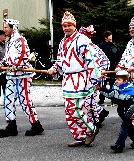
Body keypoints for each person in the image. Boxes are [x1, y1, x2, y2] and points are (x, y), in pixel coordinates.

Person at [47, 12, 101, 147]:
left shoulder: (83, 40)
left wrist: (96, 80)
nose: (66, 28)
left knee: (75, 109)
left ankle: (91, 130)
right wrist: (54, 68)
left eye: (69, 25)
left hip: (80, 79)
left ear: (74, 26)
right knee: (68, 111)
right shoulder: (62, 42)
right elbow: (60, 61)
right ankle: (80, 136)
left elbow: (92, 61)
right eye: (64, 26)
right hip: (67, 80)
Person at [0, 19, 44, 137]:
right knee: (8, 99)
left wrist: (16, 66)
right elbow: (7, 57)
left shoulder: (20, 40)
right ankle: (11, 125)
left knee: (25, 100)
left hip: (23, 75)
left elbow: (24, 55)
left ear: (13, 28)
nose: (4, 30)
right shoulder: (10, 41)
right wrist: (1, 64)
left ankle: (36, 125)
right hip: (12, 75)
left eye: (6, 27)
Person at [99, 70, 134, 153]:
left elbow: (112, 94)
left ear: (125, 80)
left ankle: (119, 145)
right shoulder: (119, 86)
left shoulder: (127, 88)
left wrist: (100, 88)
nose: (116, 81)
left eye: (119, 80)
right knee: (129, 126)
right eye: (116, 79)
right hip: (128, 109)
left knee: (124, 126)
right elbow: (112, 93)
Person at [79, 25, 109, 127]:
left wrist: (99, 79)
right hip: (83, 79)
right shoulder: (78, 47)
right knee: (85, 101)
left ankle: (95, 121)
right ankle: (98, 115)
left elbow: (105, 62)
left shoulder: (93, 47)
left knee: (89, 101)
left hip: (94, 79)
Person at [97, 30, 119, 104]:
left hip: (112, 67)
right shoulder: (100, 46)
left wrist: (117, 65)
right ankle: (101, 98)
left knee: (113, 83)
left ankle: (113, 98)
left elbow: (118, 56)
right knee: (103, 83)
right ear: (106, 37)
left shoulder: (114, 46)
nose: (111, 37)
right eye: (110, 36)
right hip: (103, 68)